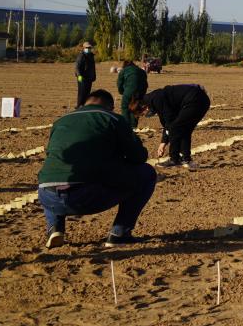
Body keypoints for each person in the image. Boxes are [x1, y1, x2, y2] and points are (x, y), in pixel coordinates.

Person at [37, 90, 157, 249]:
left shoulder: (61, 121)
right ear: (110, 106)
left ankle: (55, 227)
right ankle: (119, 233)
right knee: (147, 173)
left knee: (54, 173)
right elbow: (138, 157)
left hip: (47, 197)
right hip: (86, 196)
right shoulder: (112, 118)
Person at [132, 84, 211, 170]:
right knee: (185, 129)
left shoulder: (156, 100)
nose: (145, 115)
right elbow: (166, 122)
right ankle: (186, 159)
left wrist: (163, 143)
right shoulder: (154, 99)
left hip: (195, 100)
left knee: (175, 128)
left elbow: (169, 122)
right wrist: (163, 143)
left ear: (144, 108)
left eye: (142, 114)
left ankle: (174, 159)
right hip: (201, 100)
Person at [116, 58, 148, 129]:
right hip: (140, 92)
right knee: (136, 109)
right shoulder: (142, 71)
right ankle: (134, 127)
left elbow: (119, 84)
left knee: (125, 108)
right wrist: (142, 94)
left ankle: (126, 127)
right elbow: (145, 84)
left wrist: (122, 92)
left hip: (128, 91)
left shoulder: (124, 71)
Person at [74, 40, 96, 107]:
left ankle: (84, 106)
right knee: (81, 93)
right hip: (82, 77)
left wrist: (94, 76)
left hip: (89, 78)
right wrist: (79, 76)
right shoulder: (81, 56)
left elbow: (93, 67)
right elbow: (77, 67)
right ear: (83, 48)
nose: (88, 49)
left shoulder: (91, 56)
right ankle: (79, 106)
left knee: (87, 93)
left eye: (89, 48)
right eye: (87, 48)